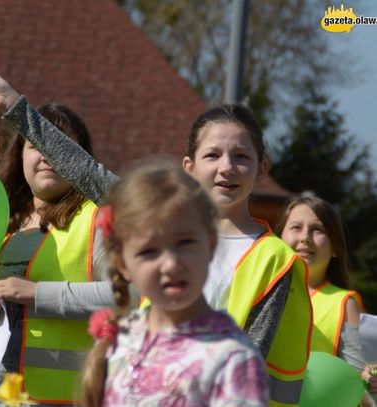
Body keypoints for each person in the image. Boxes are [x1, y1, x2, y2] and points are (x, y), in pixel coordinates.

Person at [0, 65, 313, 406]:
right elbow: (88, 171)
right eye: (212, 155)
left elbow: (249, 366)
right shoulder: (158, 220)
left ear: (261, 168)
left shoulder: (274, 260)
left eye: (241, 157)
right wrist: (14, 106)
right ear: (189, 166)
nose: (226, 167)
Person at [80, 158, 269, 406]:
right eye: (149, 251)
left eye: (184, 243)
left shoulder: (232, 359)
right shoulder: (121, 337)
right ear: (123, 264)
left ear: (211, 243)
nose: (171, 264)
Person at [0, 103, 123, 406]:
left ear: (79, 159)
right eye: (35, 146)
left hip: (66, 398)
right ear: (19, 155)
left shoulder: (98, 219)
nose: (46, 156)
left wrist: (39, 294)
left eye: (60, 145)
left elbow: (125, 297)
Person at [276, 195, 377, 405]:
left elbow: (357, 375)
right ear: (279, 239)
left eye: (318, 230)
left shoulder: (344, 303)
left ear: (335, 249)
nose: (305, 237)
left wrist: (369, 380)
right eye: (296, 227)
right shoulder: (262, 293)